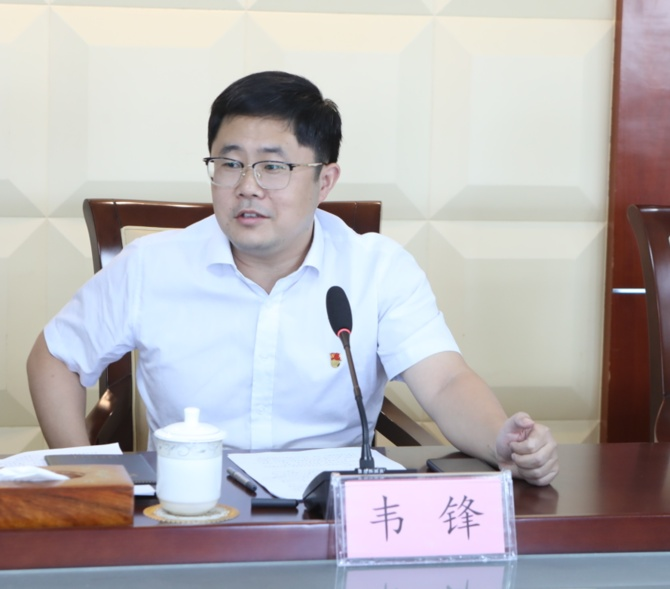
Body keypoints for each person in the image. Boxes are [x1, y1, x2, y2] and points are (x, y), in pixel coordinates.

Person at [27, 71, 558, 486]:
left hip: (329, 511)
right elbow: (54, 357)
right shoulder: (151, 265)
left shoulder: (377, 269)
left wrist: (501, 440)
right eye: (229, 163)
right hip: (191, 505)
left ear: (325, 181)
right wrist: (86, 474)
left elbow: (444, 381)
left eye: (273, 167)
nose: (247, 186)